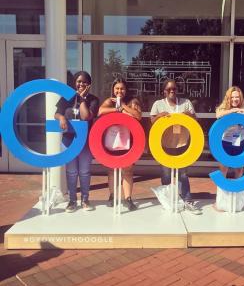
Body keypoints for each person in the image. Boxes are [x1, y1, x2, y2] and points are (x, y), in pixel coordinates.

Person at [150, 79, 201, 215]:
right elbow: (152, 122)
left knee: (183, 175)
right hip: (165, 145)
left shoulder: (185, 103)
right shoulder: (158, 104)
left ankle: (188, 200)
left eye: (174, 89)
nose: (172, 91)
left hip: (182, 143)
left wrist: (187, 115)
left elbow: (195, 119)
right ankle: (169, 201)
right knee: (166, 175)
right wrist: (159, 116)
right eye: (169, 89)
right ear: (164, 91)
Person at [55, 71, 99, 212]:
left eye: (84, 82)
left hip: (85, 141)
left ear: (89, 84)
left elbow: (86, 117)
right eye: (79, 81)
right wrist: (61, 118)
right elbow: (56, 113)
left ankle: (85, 200)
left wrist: (82, 99)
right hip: (68, 140)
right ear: (75, 82)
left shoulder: (93, 100)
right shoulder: (67, 97)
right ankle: (72, 201)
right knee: (71, 172)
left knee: (85, 172)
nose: (81, 84)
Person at [214, 86, 244, 212]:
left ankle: (237, 202)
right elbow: (218, 114)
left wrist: (243, 111)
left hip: (240, 143)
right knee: (223, 171)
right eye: (232, 97)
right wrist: (232, 111)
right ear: (228, 98)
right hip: (225, 142)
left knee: (239, 171)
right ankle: (220, 202)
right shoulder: (224, 107)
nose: (235, 99)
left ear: (240, 98)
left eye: (237, 97)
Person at [98, 78, 142, 211]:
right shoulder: (108, 101)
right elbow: (100, 111)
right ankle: (112, 196)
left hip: (128, 141)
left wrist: (122, 105)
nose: (119, 91)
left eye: (122, 88)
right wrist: (115, 110)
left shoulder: (132, 101)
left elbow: (138, 116)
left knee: (127, 171)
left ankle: (128, 198)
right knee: (111, 170)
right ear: (113, 89)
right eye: (117, 88)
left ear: (126, 90)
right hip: (111, 141)